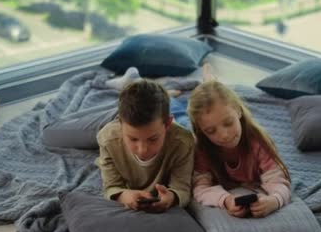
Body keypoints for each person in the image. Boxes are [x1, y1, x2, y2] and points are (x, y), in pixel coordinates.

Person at [187, 80, 291, 218]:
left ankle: (208, 77)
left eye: (228, 123)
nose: (224, 135)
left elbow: (279, 181)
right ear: (201, 131)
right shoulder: (201, 148)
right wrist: (226, 200)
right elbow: (200, 187)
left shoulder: (258, 142)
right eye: (211, 131)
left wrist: (274, 200)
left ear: (238, 110)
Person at [96, 79, 195, 212]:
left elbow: (182, 188)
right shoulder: (107, 139)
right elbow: (111, 187)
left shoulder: (183, 142)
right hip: (109, 124)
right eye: (133, 139)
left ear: (167, 124)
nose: (142, 150)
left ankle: (168, 94)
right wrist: (123, 196)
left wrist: (171, 197)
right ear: (121, 124)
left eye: (153, 139)